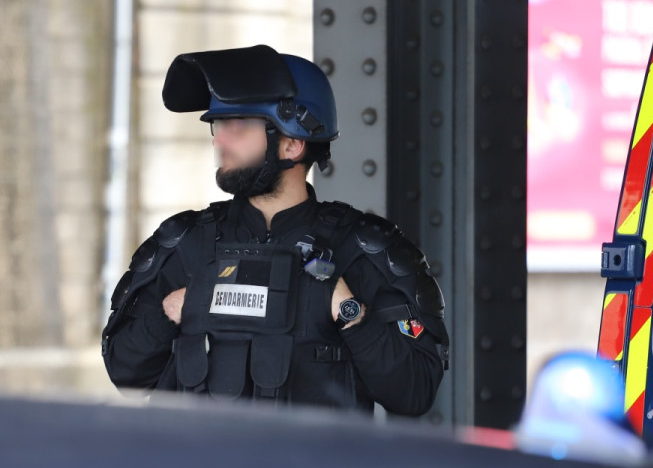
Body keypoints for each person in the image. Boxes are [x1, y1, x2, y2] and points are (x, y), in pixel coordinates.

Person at [102, 45, 448, 415]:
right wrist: (167, 314)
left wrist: (351, 314)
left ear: (292, 144)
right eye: (219, 127)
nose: (220, 140)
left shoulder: (365, 249)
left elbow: (415, 392)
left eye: (238, 127)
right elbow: (125, 372)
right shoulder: (184, 242)